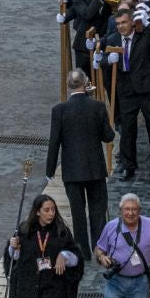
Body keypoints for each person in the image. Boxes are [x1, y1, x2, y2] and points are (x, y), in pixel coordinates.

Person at [103, 2, 150, 182]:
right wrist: (107, 60)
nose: (121, 26)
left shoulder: (145, 35)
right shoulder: (113, 39)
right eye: (119, 23)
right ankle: (129, 165)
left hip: (147, 88)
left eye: (124, 22)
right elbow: (104, 59)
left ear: (132, 22)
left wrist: (148, 24)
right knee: (128, 130)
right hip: (127, 91)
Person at [45, 68, 114, 257]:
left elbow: (54, 142)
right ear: (85, 83)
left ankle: (83, 251)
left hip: (72, 171)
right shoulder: (98, 107)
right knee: (97, 210)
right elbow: (108, 136)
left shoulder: (59, 110)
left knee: (78, 213)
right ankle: (100, 249)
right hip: (95, 170)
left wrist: (49, 170)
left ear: (69, 86)